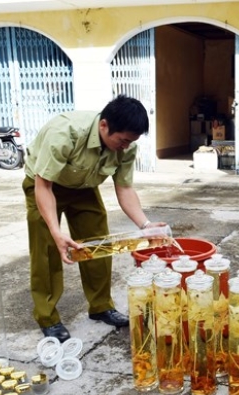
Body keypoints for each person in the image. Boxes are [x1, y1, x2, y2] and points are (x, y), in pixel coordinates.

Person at [23, 95, 163, 342]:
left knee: (99, 244)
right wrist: (56, 233)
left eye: (131, 141)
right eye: (122, 140)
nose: (126, 146)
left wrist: (146, 225)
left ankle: (101, 307)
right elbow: (43, 186)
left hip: (85, 188)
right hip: (44, 185)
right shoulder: (64, 133)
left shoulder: (126, 146)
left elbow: (125, 189)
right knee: (46, 251)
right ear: (104, 126)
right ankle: (48, 318)